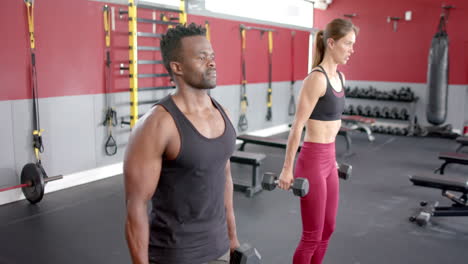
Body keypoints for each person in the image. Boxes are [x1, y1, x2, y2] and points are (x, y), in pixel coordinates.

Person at [123, 23, 239, 264]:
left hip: (219, 250)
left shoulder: (223, 114)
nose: (212, 63)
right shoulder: (157, 124)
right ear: (177, 67)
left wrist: (232, 239)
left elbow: (224, 179)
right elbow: (136, 207)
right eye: (202, 57)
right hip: (174, 256)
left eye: (212, 56)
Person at [278, 18, 358, 264]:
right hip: (312, 161)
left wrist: (332, 159)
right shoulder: (317, 79)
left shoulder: (341, 78)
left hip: (329, 160)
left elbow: (332, 124)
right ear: (331, 43)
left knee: (328, 229)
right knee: (311, 235)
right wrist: (286, 169)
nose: (352, 50)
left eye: (353, 44)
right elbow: (297, 127)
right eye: (348, 44)